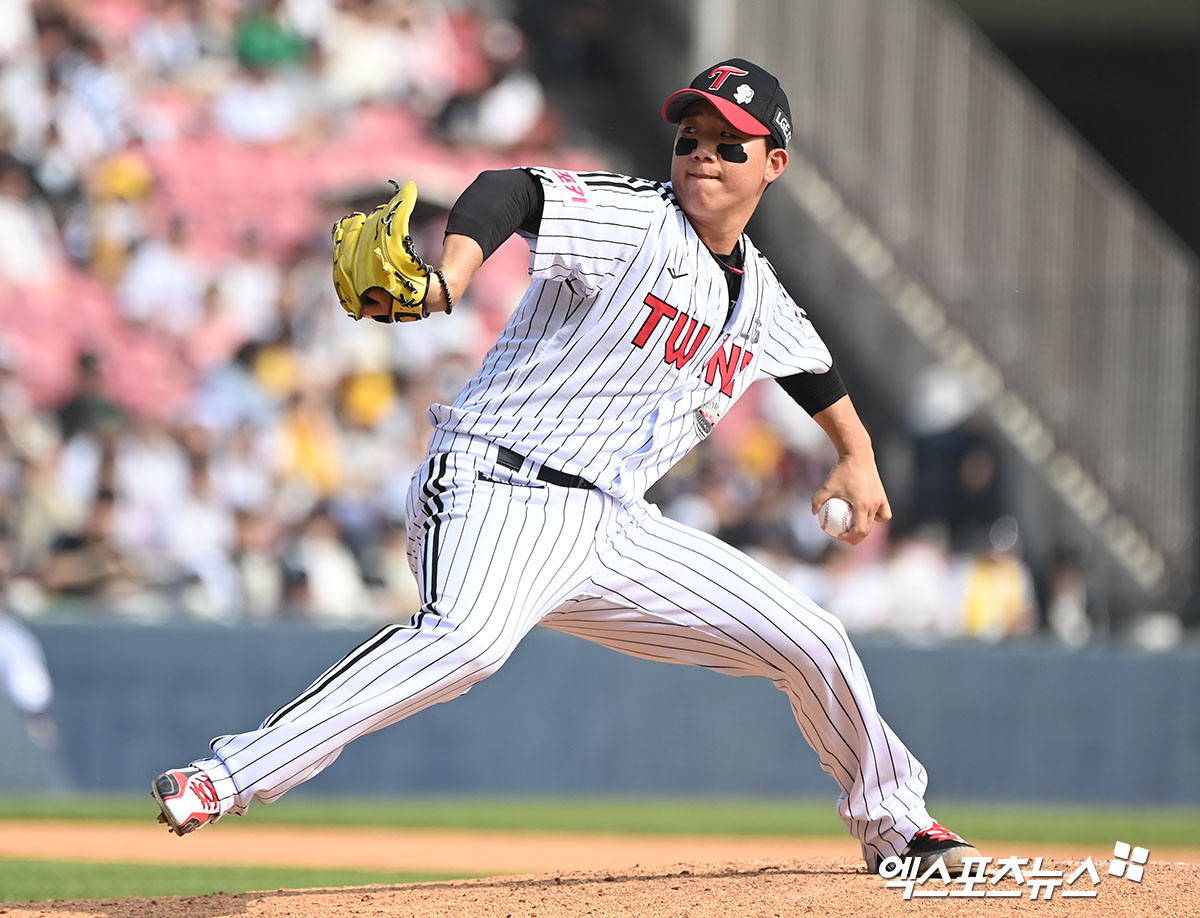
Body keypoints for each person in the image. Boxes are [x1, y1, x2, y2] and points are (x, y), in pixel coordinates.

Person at [152, 58, 979, 873]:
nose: (702, 154)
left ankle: (896, 825)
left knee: (814, 638)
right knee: (469, 641)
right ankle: (228, 775)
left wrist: (857, 453)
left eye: (730, 144)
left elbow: (810, 368)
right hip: (494, 486)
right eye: (691, 136)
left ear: (774, 165)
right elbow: (509, 189)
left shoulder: (759, 293)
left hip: (614, 527)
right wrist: (450, 278)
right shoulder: (638, 220)